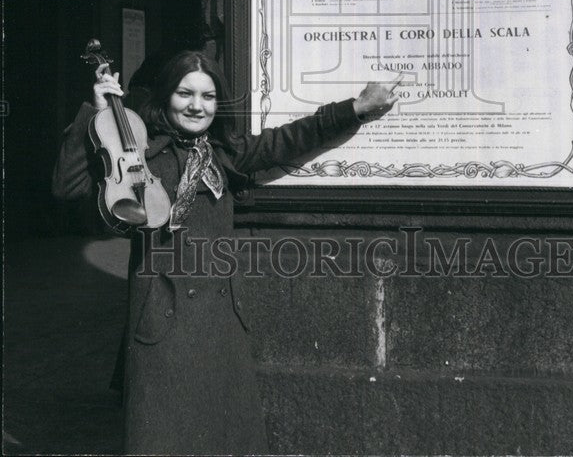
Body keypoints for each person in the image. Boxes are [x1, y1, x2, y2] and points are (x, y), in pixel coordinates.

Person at [52, 50, 399, 456]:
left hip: (220, 324)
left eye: (208, 96)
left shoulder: (223, 154)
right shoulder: (138, 151)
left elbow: (289, 139)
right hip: (162, 322)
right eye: (185, 93)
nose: (197, 106)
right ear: (167, 96)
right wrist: (93, 118)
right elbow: (67, 186)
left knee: (225, 438)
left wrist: (355, 109)